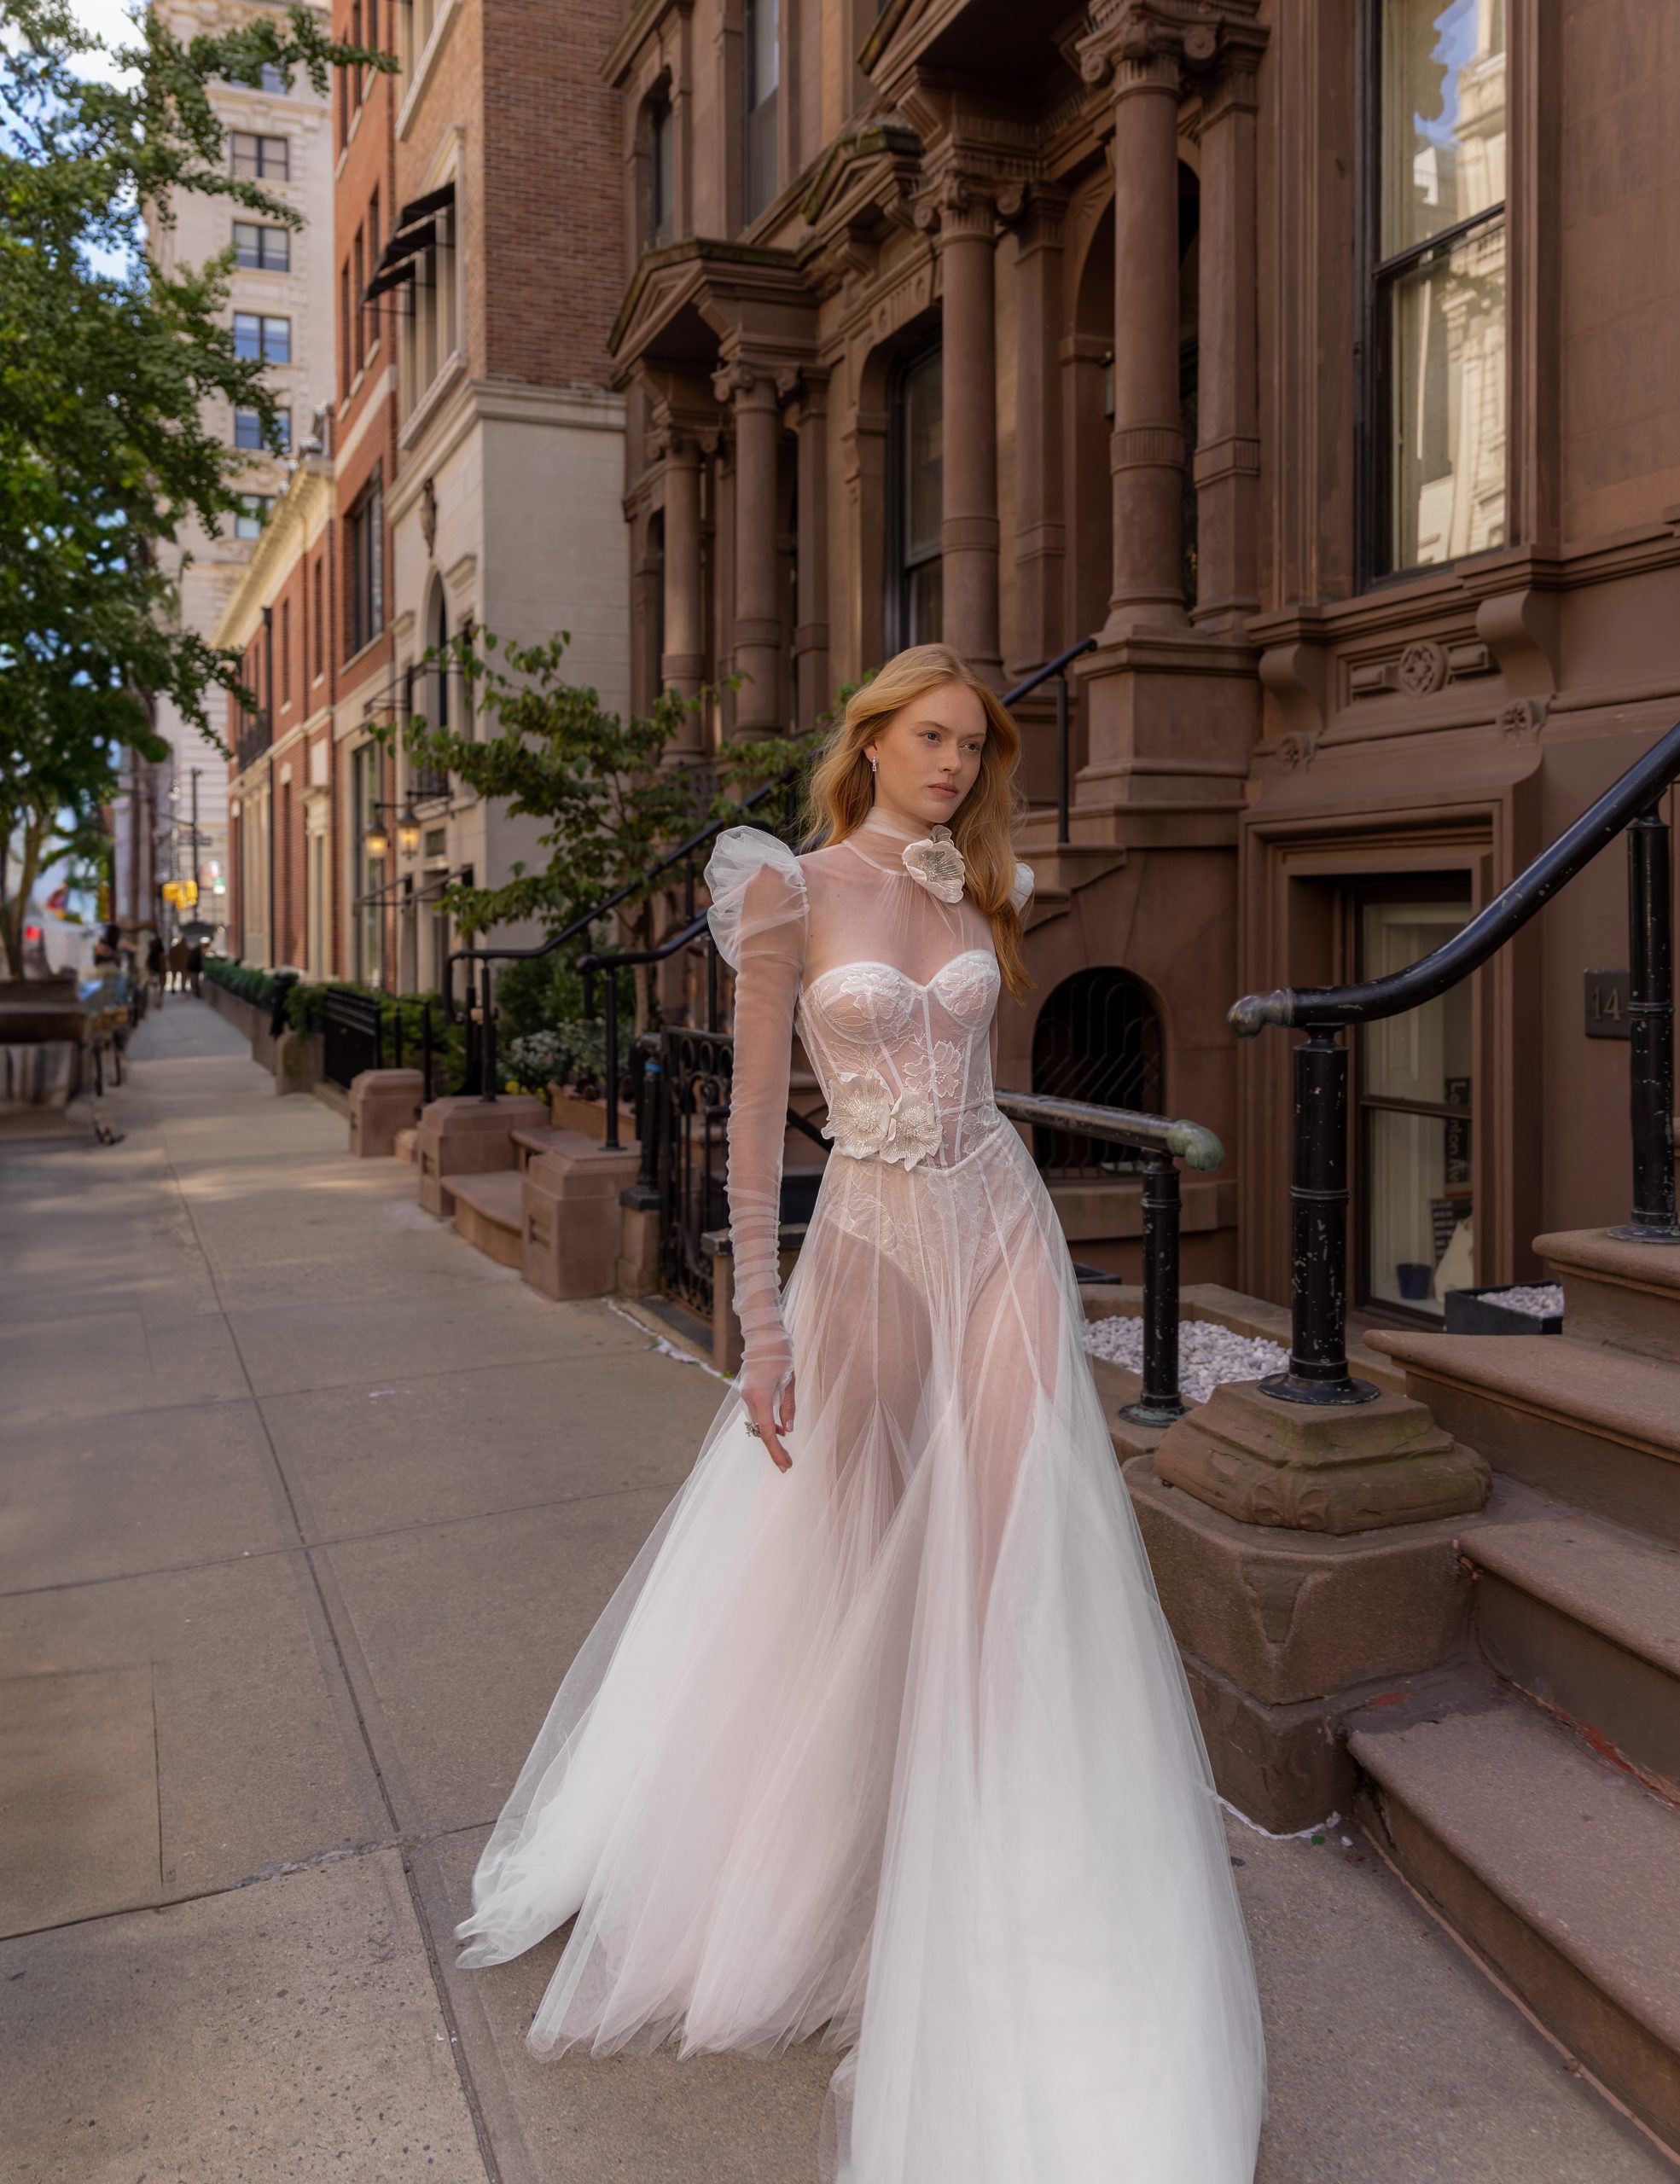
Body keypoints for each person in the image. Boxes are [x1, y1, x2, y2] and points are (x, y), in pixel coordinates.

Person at [454, 645, 1265, 2183]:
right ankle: (856, 1843)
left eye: (974, 746)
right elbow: (757, 1125)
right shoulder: (783, 892)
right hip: (870, 1240)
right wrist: (760, 1322)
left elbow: (977, 1075)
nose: (955, 765)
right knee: (855, 1534)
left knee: (1020, 1531)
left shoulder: (980, 890)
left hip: (1001, 1224)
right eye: (931, 738)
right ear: (870, 737)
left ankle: (1013, 1863)